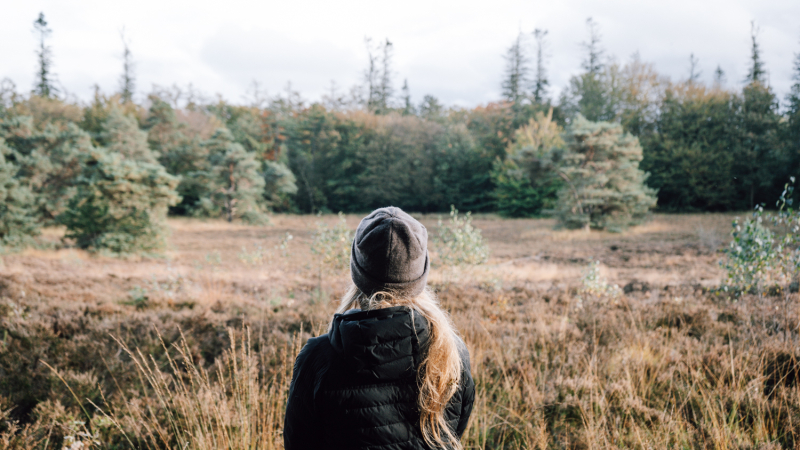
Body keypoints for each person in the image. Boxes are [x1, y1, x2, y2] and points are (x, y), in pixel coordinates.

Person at [284, 207, 475, 450]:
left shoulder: (319, 357)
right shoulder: (451, 352)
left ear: (357, 273)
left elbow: (297, 444)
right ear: (419, 276)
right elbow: (453, 434)